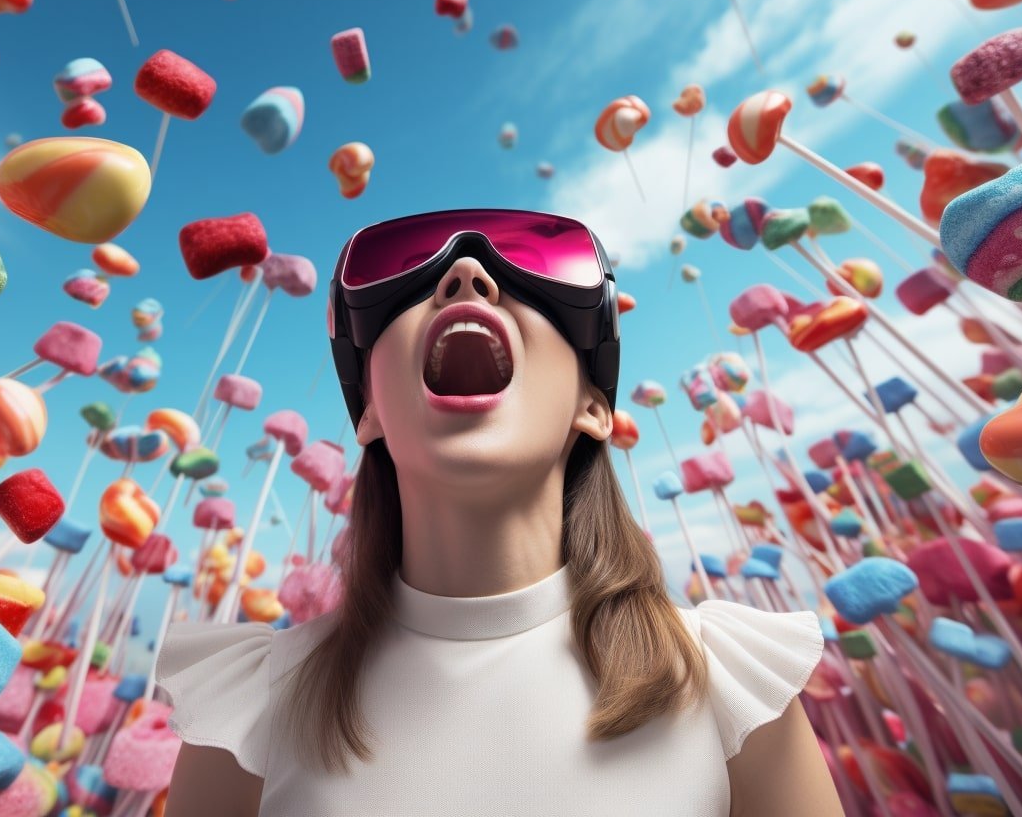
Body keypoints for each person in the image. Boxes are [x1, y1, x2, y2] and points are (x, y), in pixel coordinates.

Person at [158, 209, 841, 816]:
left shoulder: (728, 685)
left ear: (595, 408)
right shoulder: (249, 713)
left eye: (536, 262)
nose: (464, 275)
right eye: (410, 270)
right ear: (367, 411)